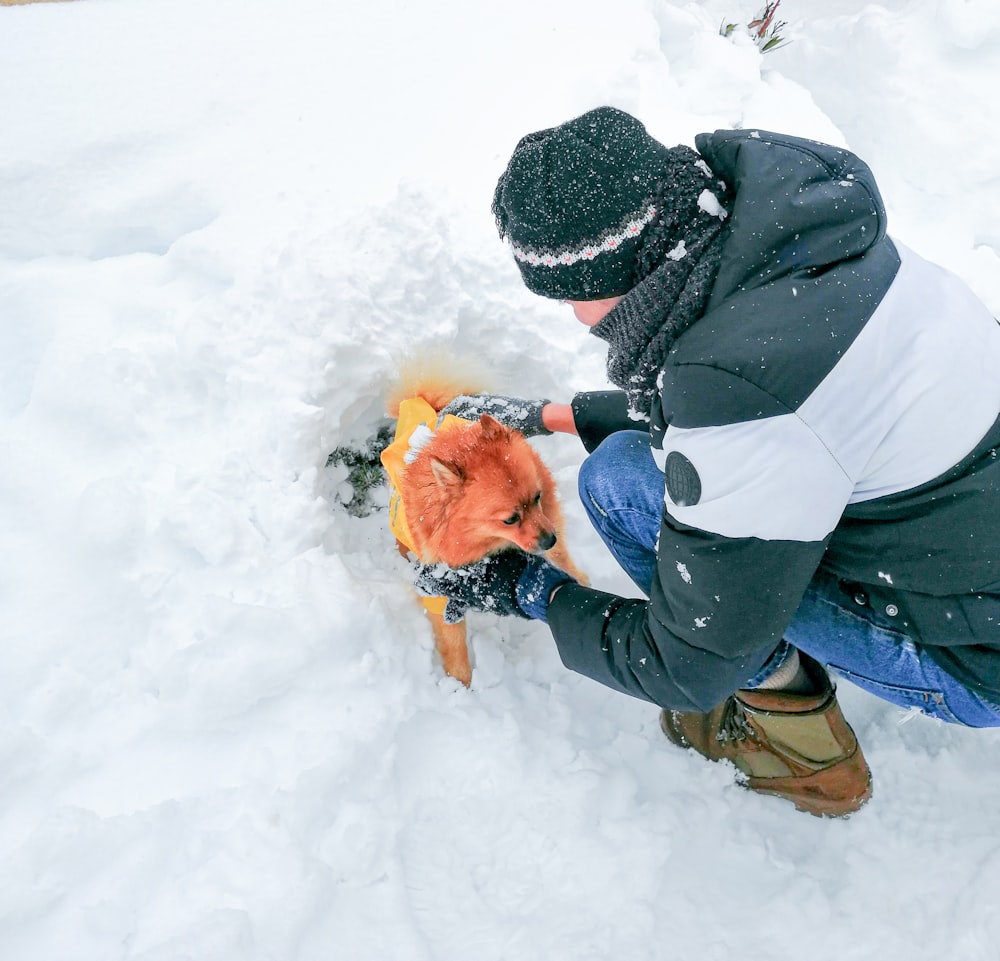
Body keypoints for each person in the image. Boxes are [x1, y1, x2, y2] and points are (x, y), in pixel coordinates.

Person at [412, 106, 1000, 817]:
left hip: (977, 658)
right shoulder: (808, 240)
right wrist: (552, 415)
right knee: (637, 468)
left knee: (619, 487)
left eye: (571, 294)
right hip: (962, 541)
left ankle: (799, 748)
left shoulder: (747, 401)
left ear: (617, 272)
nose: (573, 316)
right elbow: (785, 404)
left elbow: (684, 664)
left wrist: (528, 591)